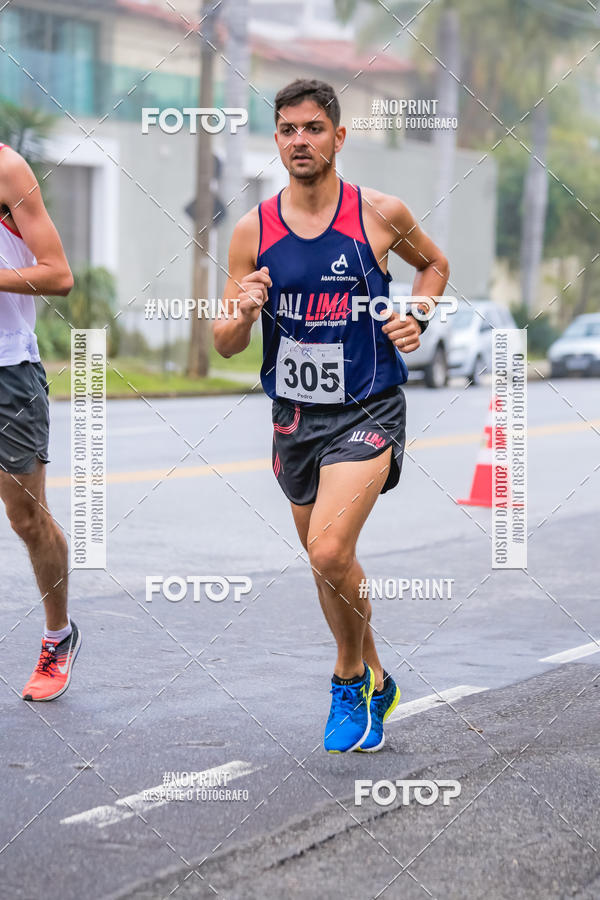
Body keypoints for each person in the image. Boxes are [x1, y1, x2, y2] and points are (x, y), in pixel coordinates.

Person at [214, 79, 449, 752]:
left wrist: (418, 315)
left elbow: (434, 265)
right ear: (277, 140)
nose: (299, 141)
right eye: (287, 129)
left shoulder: (378, 213)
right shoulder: (252, 231)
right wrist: (245, 310)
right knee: (331, 566)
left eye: (312, 128)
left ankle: (347, 679)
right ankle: (377, 674)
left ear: (338, 137)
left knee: (327, 548)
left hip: (368, 409)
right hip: (294, 419)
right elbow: (225, 341)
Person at [0, 142, 80, 701]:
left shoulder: (6, 168)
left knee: (27, 520)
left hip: (8, 371)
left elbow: (58, 275)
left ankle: (58, 636)